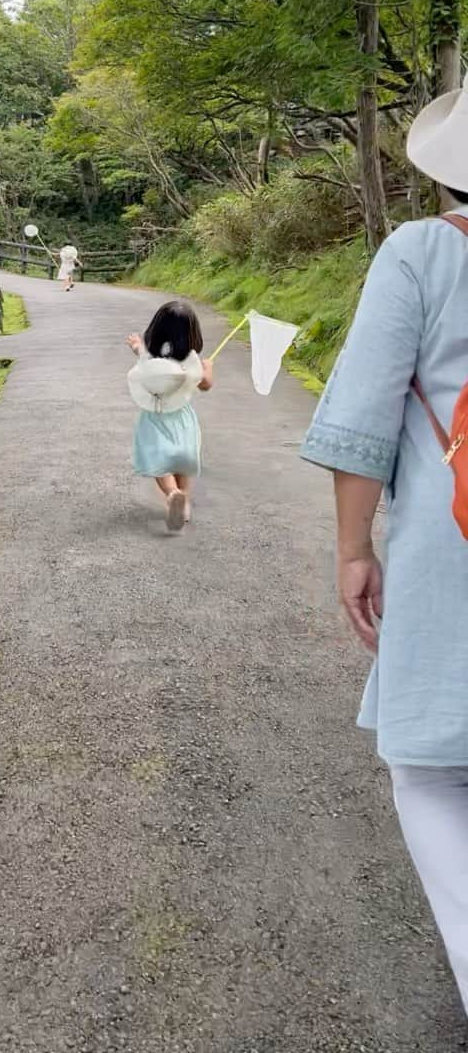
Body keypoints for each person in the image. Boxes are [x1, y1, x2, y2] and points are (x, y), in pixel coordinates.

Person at [300, 71, 468, 1014]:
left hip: (455, 544)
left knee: (434, 764)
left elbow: (364, 414)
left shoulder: (420, 253)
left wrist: (353, 548)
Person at [127, 300, 213, 531]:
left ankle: (171, 493)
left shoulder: (153, 359)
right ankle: (183, 504)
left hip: (155, 418)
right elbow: (205, 385)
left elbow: (143, 359)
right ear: (192, 333)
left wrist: (137, 346)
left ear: (155, 329)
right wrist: (208, 368)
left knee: (160, 463)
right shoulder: (191, 360)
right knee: (181, 465)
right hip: (182, 419)